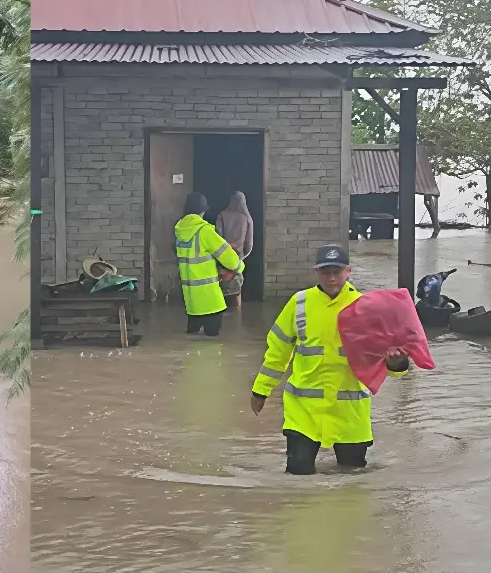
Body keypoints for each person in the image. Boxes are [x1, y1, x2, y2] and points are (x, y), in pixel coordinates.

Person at [250, 244, 410, 475]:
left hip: (350, 412)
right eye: (325, 272)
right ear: (316, 272)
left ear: (348, 271)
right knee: (298, 475)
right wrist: (260, 391)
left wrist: (397, 363)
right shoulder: (299, 303)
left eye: (337, 272)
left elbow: (389, 361)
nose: (331, 278)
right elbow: (277, 353)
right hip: (303, 411)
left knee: (352, 478)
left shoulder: (366, 307)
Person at [174, 192, 244, 337]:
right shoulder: (204, 231)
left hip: (191, 301)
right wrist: (239, 266)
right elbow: (227, 256)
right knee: (213, 341)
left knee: (192, 337)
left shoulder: (180, 231)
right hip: (210, 300)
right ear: (203, 211)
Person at [215, 191, 254, 309]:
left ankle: (221, 309)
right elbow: (249, 244)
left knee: (221, 281)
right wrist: (242, 255)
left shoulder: (222, 215)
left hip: (223, 254)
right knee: (237, 286)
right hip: (238, 255)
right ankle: (238, 312)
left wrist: (226, 247)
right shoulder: (246, 219)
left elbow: (218, 237)